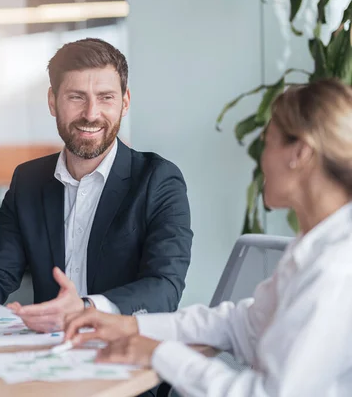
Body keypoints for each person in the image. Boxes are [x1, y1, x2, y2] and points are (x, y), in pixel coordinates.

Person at [63, 78, 352, 396]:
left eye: (268, 143)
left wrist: (158, 353)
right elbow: (242, 324)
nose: (262, 160)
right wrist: (131, 326)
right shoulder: (313, 245)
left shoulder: (336, 268)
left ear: (299, 152)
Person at [0, 38, 193, 333]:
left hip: (126, 354)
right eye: (76, 97)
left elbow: (165, 287)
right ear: (52, 101)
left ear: (124, 103)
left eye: (105, 97)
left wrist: (87, 308)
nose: (91, 113)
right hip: (49, 353)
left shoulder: (158, 180)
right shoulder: (29, 181)